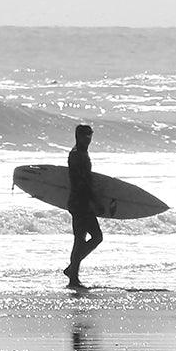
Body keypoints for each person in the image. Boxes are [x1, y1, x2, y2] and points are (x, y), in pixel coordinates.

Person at [64, 122, 103, 289]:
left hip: (81, 202)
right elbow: (83, 182)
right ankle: (73, 276)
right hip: (80, 203)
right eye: (85, 135)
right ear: (78, 136)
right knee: (83, 239)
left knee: (89, 238)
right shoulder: (77, 155)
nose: (88, 138)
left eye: (90, 134)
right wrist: (96, 201)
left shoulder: (81, 153)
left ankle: (72, 271)